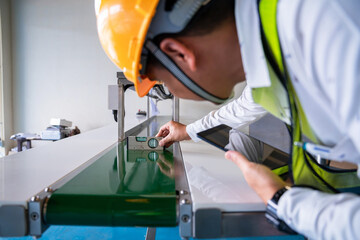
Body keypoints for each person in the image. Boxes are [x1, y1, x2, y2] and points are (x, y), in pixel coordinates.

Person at [95, 0, 360, 239]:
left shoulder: (323, 22)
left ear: (180, 53)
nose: (170, 91)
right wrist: (187, 130)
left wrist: (281, 201)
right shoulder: (271, 40)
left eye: (163, 81)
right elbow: (243, 107)